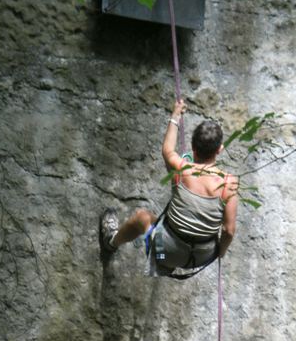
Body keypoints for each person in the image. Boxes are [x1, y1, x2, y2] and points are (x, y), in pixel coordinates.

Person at [100, 99, 238, 276]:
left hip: (165, 252)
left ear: (193, 148)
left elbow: (167, 150)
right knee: (186, 243)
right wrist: (221, 253)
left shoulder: (181, 169)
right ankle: (170, 258)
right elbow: (229, 230)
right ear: (220, 149)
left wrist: (175, 115)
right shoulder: (229, 183)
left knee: (142, 217)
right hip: (202, 258)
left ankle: (110, 242)